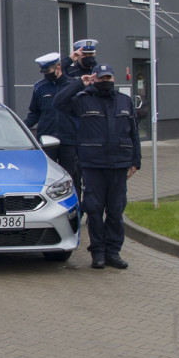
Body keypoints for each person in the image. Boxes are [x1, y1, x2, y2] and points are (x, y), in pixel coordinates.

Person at [54, 63, 141, 270]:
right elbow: (58, 102)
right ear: (95, 79)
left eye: (108, 78)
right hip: (93, 165)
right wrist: (78, 83)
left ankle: (113, 252)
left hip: (119, 164)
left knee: (115, 210)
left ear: (113, 79)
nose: (105, 82)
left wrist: (136, 161)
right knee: (94, 209)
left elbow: (134, 133)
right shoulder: (83, 100)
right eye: (101, 78)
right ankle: (98, 253)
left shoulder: (125, 101)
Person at [26, 52, 81, 195]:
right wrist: (22, 127)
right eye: (43, 71)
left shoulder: (73, 86)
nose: (45, 74)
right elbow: (34, 113)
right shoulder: (40, 87)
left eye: (48, 70)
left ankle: (75, 211)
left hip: (69, 139)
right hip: (47, 139)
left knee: (71, 177)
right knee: (47, 177)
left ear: (58, 67)